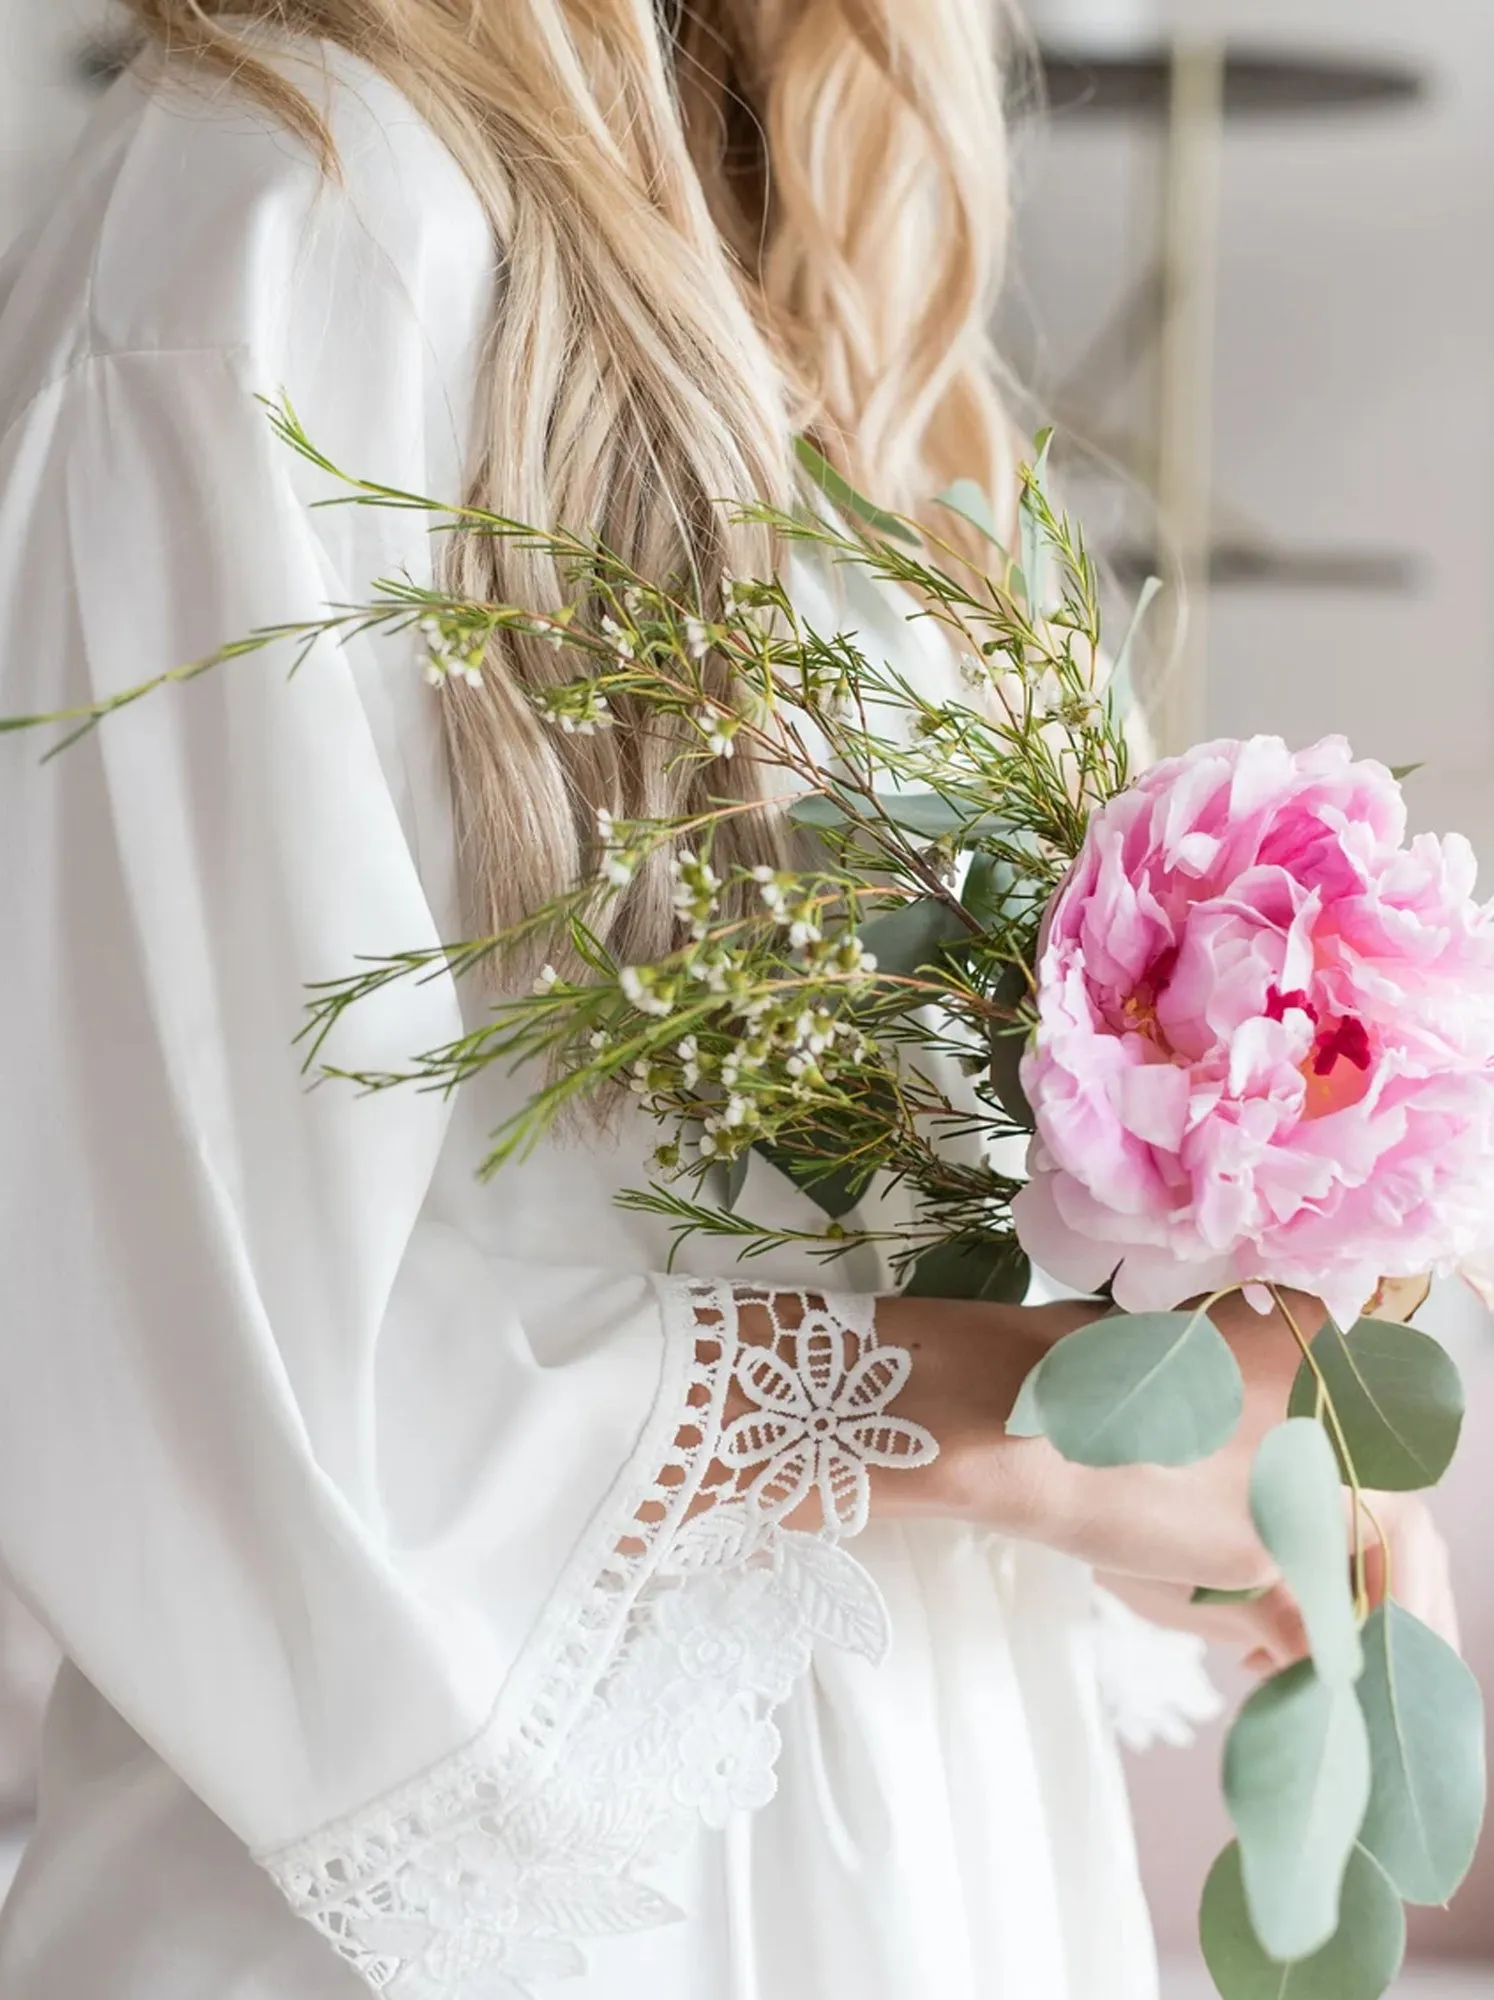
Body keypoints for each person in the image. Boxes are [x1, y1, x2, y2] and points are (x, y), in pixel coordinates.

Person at [0, 5, 1456, 1996]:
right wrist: (1008, 1419)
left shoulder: (822, 276)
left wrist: (1228, 1400)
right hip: (505, 1916)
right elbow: (170, 1326)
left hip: (929, 1854)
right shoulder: (289, 193)